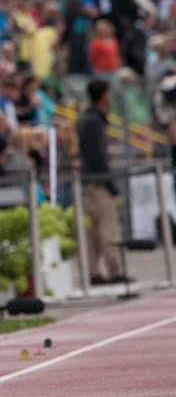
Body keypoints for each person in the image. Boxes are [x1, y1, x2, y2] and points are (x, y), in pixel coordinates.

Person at [77, 79, 124, 285]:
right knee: (108, 228)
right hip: (98, 182)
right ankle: (114, 270)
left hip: (88, 182)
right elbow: (98, 156)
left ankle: (93, 271)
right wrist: (111, 185)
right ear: (103, 95)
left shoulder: (85, 118)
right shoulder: (95, 121)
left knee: (92, 231)